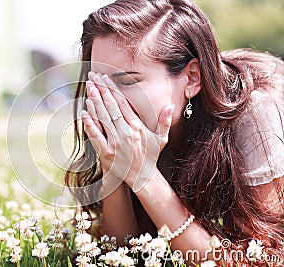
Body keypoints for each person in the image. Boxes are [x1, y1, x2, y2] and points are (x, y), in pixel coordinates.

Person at [65, 0, 284, 266]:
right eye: (98, 81)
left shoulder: (255, 110)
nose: (107, 99)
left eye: (127, 80)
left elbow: (261, 259)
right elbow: (122, 253)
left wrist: (143, 175)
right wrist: (116, 167)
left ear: (191, 78)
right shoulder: (134, 127)